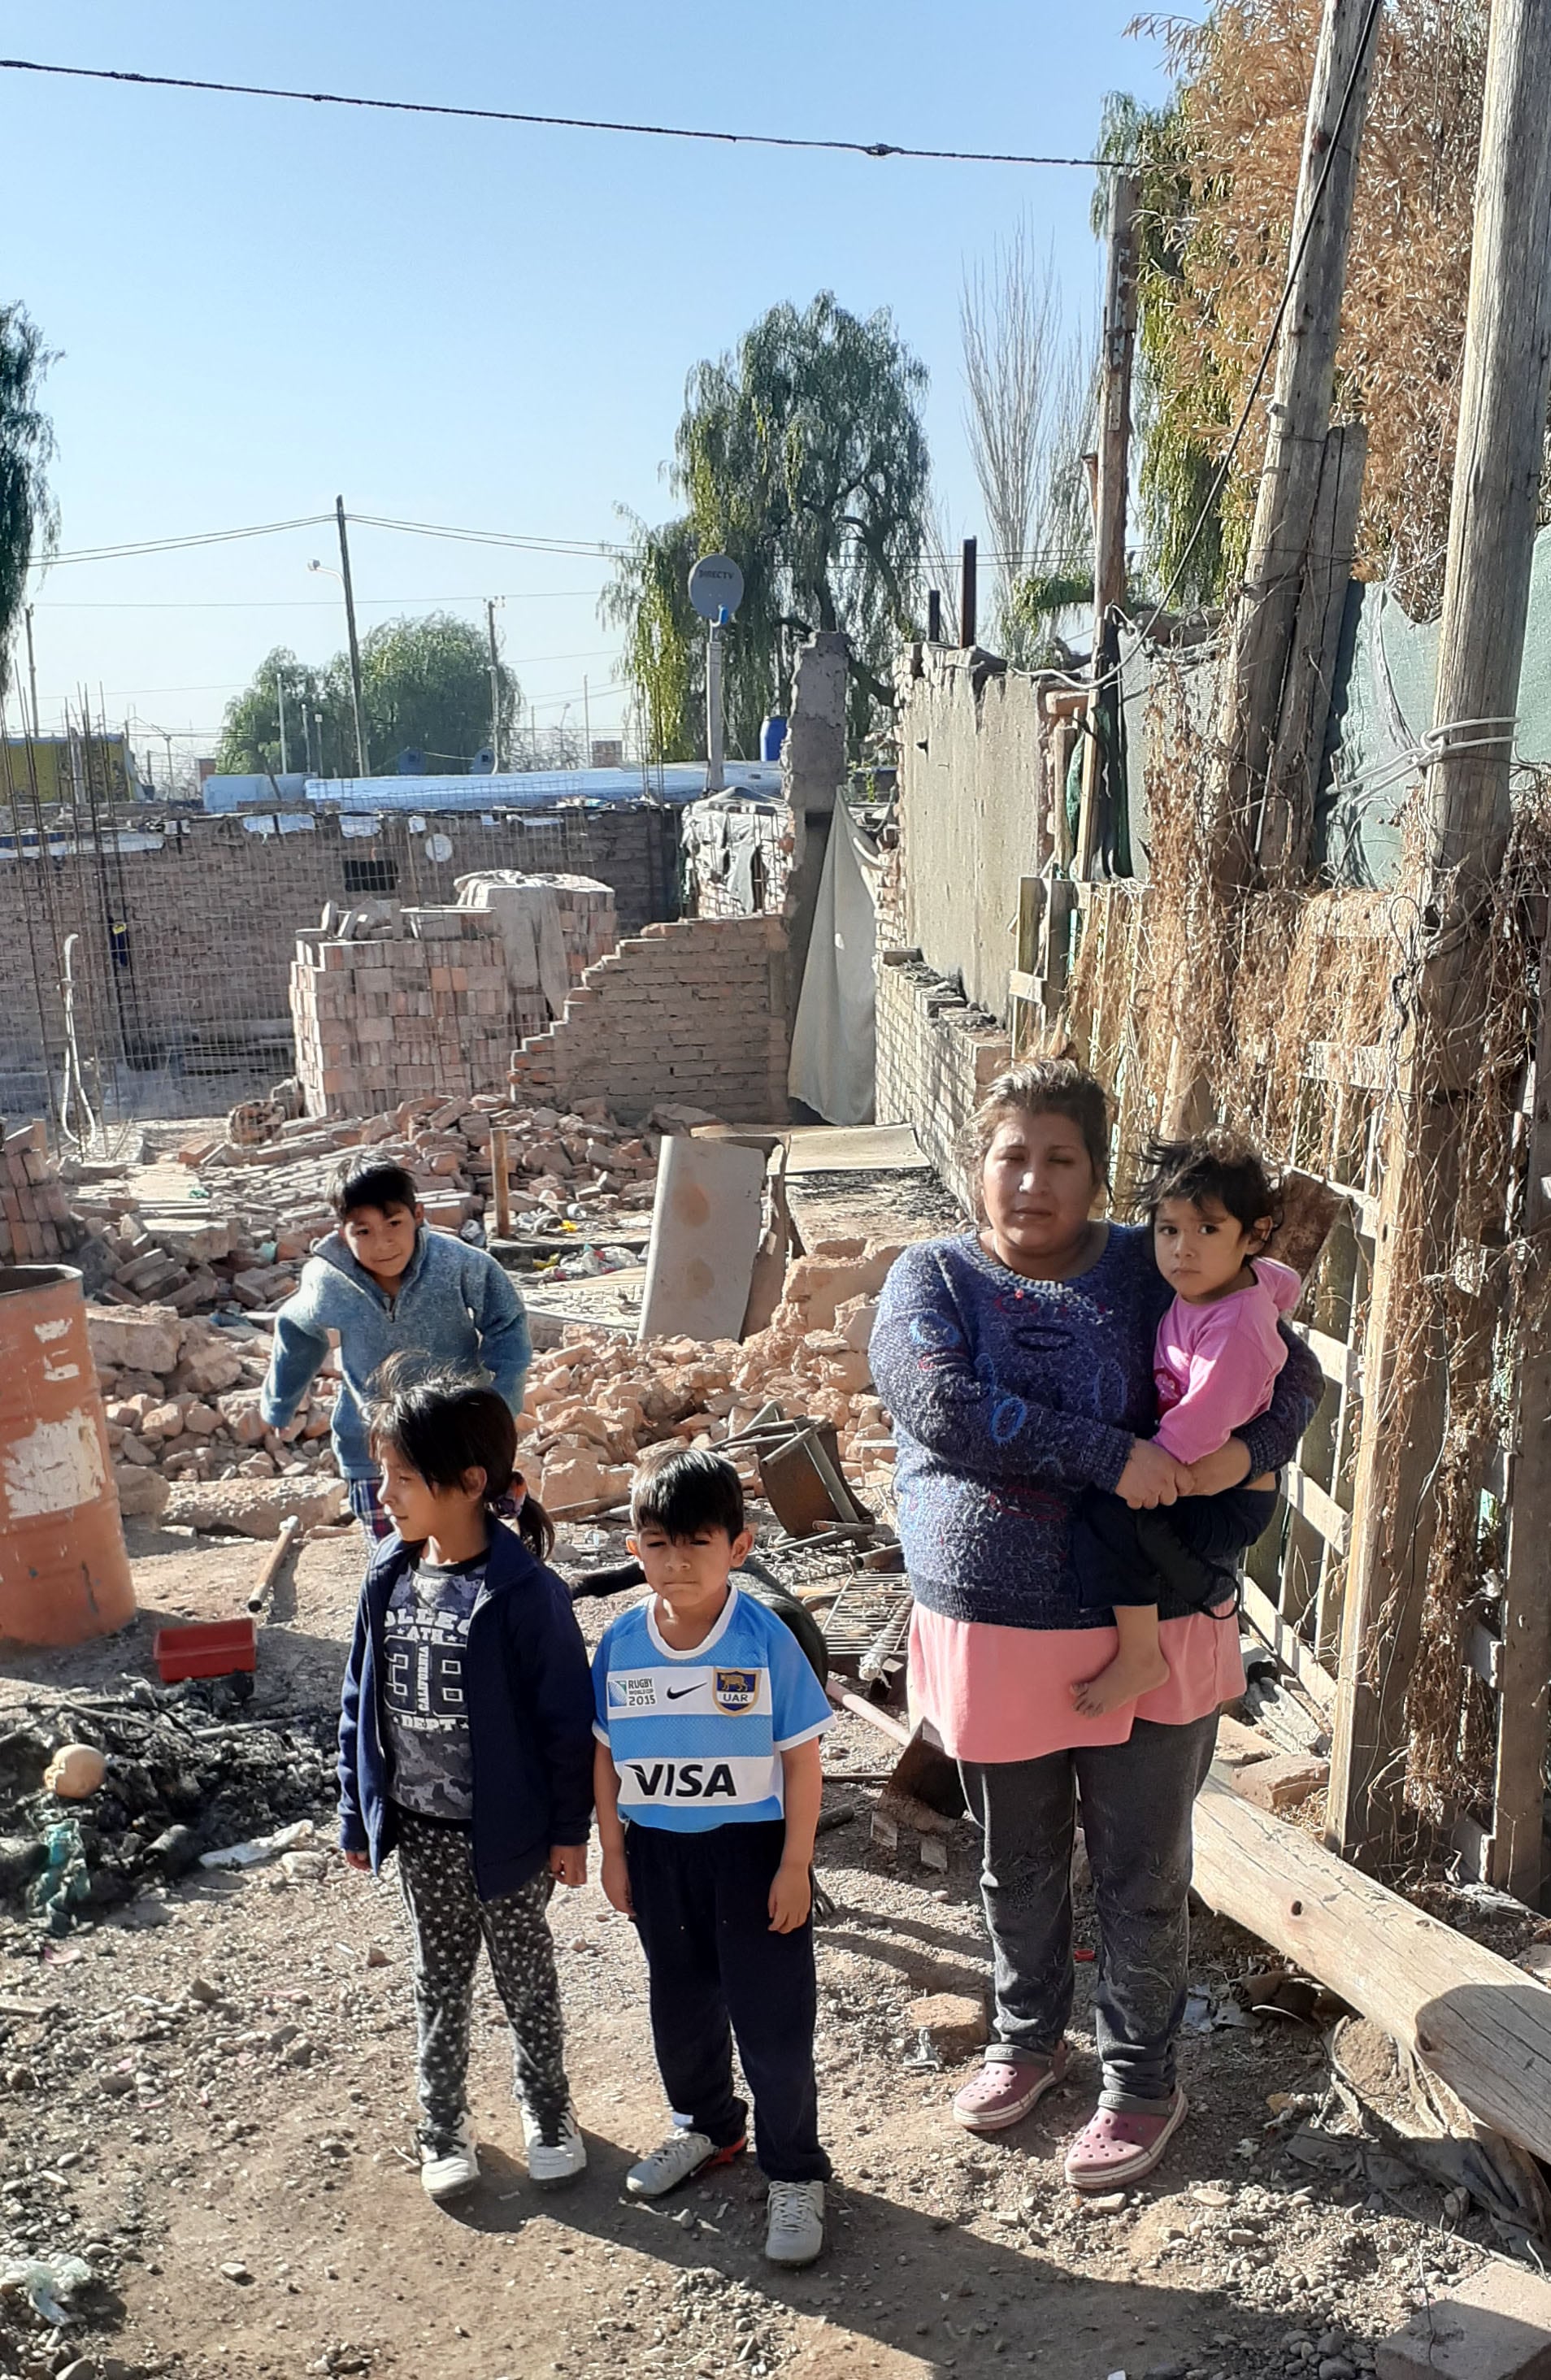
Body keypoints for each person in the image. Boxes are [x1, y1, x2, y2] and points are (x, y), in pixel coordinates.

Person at [869, 1059, 1321, 2191]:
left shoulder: (1154, 1261)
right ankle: (1029, 2043)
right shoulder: (931, 1277)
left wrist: (1239, 1456)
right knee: (1014, 1861)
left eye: (1059, 1159)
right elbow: (943, 1406)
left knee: (1141, 1870)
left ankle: (1142, 2083)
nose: (1032, 1181)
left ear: (1096, 1172)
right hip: (991, 1631)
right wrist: (1114, 1455)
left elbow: (1294, 1375)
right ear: (979, 1166)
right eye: (1011, 1156)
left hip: (1154, 1628)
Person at [336, 1364, 595, 2202]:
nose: (387, 1494)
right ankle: (442, 2126)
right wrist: (356, 1811)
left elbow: (566, 1727)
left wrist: (567, 1832)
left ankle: (547, 2110)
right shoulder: (387, 1576)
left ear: (470, 1482)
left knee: (527, 1980)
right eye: (385, 1475)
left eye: (404, 1478)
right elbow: (358, 1702)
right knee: (438, 1983)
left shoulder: (526, 1595)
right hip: (422, 1835)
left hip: (510, 1839)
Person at [591, 1446, 833, 2269]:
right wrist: (613, 1850)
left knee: (772, 2021)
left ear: (741, 1544)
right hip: (659, 1858)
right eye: (658, 1543)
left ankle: (795, 2170)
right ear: (633, 1549)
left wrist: (795, 1864)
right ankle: (708, 2128)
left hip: (751, 1855)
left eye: (698, 1542)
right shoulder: (621, 1642)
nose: (676, 1561)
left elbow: (802, 1760)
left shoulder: (764, 1639)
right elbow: (602, 1756)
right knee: (681, 2006)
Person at [1068, 1134, 1301, 1718]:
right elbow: (1278, 1281)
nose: (1182, 1251)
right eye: (1168, 1230)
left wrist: (1147, 1468)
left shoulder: (1238, 1324)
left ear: (1253, 1234)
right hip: (1201, 1473)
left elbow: (1205, 1418)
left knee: (1111, 1513)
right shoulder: (1216, 1288)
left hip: (1224, 1496)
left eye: (1207, 1230)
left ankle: (1157, 1638)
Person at [261, 1157, 531, 1540]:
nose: (383, 1243)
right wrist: (281, 1401)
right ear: (342, 1233)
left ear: (417, 1215)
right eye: (364, 1231)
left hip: (457, 1440)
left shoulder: (457, 1264)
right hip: (373, 1449)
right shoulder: (328, 1281)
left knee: (466, 1548)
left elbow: (506, 1320)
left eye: (394, 1224)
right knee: (394, 1554)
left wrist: (502, 1401)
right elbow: (299, 1332)